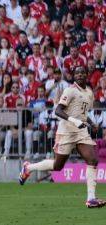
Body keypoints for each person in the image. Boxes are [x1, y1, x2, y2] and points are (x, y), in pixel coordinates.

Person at [19, 67, 106, 208]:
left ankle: (91, 198)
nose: (79, 75)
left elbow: (83, 114)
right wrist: (74, 121)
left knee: (93, 159)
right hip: (66, 132)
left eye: (82, 73)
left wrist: (91, 123)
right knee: (57, 166)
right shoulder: (70, 90)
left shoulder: (89, 93)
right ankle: (29, 168)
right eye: (77, 73)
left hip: (81, 132)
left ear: (87, 75)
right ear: (74, 76)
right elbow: (58, 110)